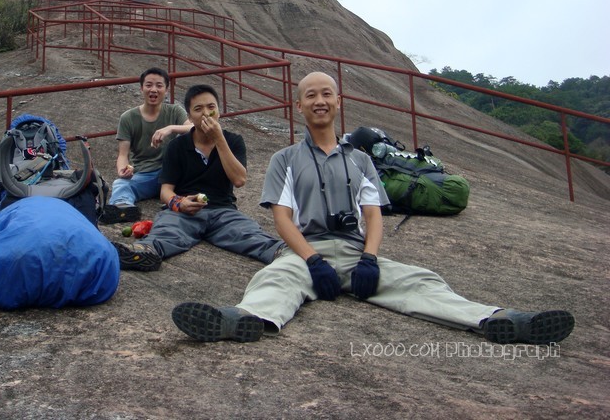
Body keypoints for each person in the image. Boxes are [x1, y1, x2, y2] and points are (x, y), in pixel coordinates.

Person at [171, 71, 575, 345]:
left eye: (326, 93)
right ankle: (238, 320)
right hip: (306, 253)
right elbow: (282, 217)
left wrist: (369, 258)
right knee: (273, 281)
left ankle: (498, 319)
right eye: (310, 95)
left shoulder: (361, 160)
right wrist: (311, 260)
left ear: (338, 101)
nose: (319, 100)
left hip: (353, 251)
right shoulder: (286, 159)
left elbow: (373, 215)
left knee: (421, 281)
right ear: (299, 106)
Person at [113, 84, 284, 272]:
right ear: (189, 116)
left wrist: (219, 139)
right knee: (167, 231)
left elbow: (239, 180)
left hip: (223, 211)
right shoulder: (177, 146)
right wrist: (180, 203)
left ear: (219, 111)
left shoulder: (233, 141)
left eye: (211, 107)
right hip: (184, 211)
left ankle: (283, 255)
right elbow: (165, 191)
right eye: (198, 109)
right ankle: (144, 251)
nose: (206, 113)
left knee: (249, 234)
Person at [102, 67, 191, 224]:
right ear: (141, 88)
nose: (154, 90)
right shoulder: (128, 118)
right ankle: (123, 209)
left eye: (159, 85)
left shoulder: (175, 111)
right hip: (146, 174)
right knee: (121, 184)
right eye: (149, 85)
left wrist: (170, 128)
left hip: (174, 172)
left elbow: (192, 128)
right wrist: (122, 170)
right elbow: (123, 155)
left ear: (166, 89)